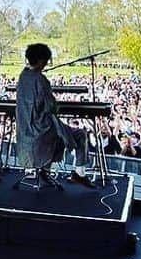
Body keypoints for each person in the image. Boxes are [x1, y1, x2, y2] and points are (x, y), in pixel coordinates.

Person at [15, 43, 94, 187]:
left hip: (25, 130)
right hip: (41, 131)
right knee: (79, 134)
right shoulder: (41, 80)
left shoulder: (23, 76)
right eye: (45, 61)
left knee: (61, 132)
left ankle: (45, 170)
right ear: (40, 61)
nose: (46, 64)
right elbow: (51, 107)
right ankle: (80, 173)